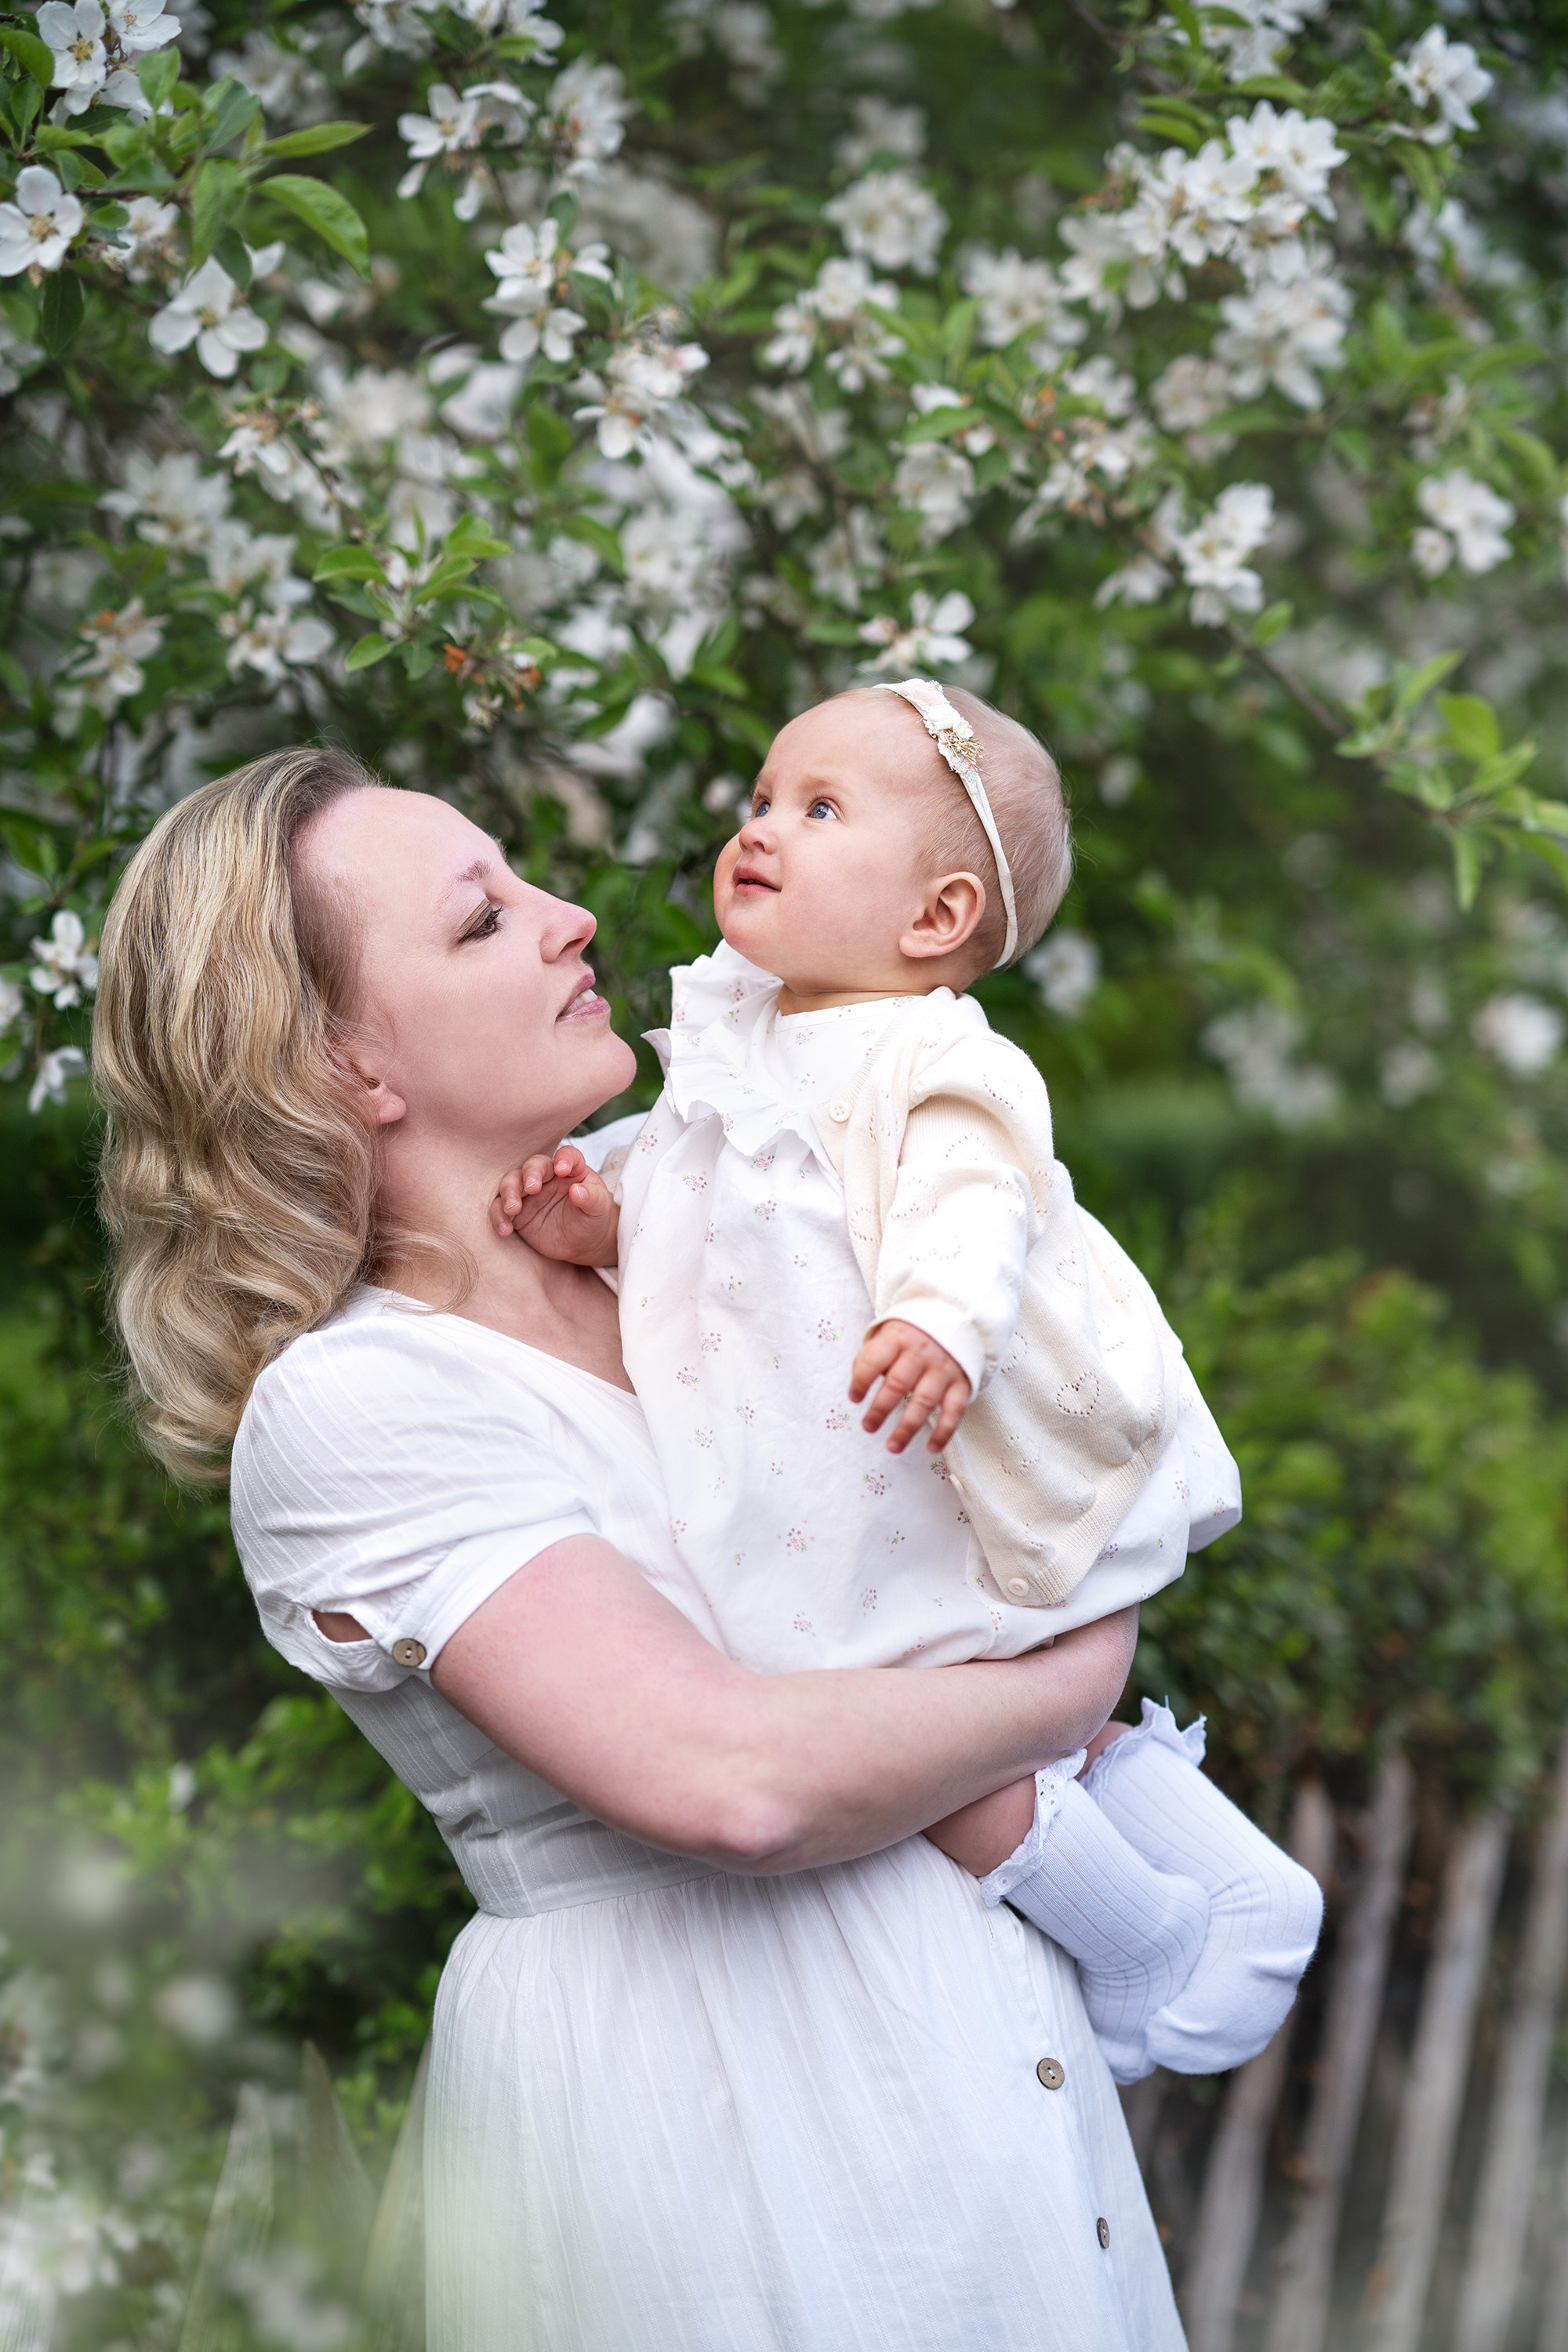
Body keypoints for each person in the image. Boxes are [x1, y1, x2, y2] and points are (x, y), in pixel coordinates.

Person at [95, 745, 1185, 2352]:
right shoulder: (360, 1407)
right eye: (480, 923)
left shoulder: (691, 1204)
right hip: (707, 2130)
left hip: (985, 2094)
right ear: (341, 1064)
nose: (569, 919)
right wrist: (1076, 1665)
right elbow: (726, 1778)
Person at [497, 680, 1321, 2085]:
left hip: (893, 1453)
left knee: (928, 1718)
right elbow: (702, 1206)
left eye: (818, 811)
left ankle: (1142, 1946)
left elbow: (971, 1196)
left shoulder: (926, 1053)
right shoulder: (734, 1034)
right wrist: (601, 1222)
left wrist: (939, 1320)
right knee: (933, 1691)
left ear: (934, 920)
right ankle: (1224, 1883)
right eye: (764, 799)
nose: (761, 829)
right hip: (800, 1478)